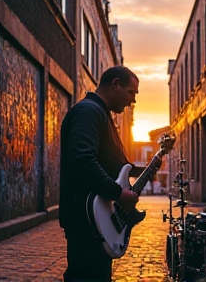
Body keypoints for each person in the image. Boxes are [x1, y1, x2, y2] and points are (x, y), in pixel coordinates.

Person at [59, 66, 143, 282]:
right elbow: (82, 160)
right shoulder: (89, 111)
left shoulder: (100, 113)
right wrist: (119, 193)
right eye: (131, 93)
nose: (132, 101)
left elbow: (108, 165)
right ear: (115, 84)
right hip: (86, 221)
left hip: (97, 220)